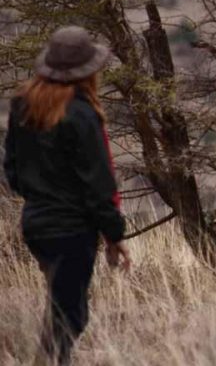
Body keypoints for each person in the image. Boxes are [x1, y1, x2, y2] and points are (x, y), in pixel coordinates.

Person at [3, 26, 130, 365]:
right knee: (70, 316)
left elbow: (12, 171)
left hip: (35, 225)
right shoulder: (83, 115)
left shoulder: (22, 105)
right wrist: (114, 234)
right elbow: (100, 185)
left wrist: (41, 196)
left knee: (61, 309)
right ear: (87, 72)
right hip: (73, 230)